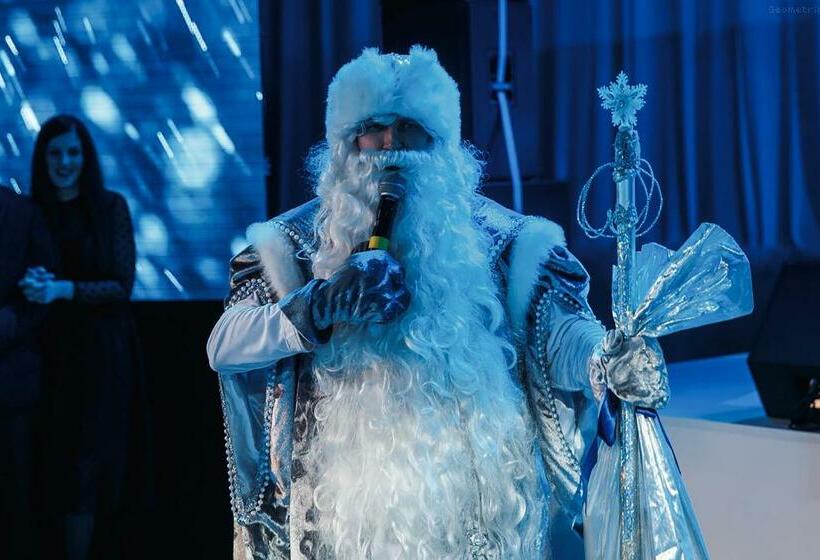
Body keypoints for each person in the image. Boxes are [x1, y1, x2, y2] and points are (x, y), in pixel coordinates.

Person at [207, 47, 669, 559]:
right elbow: (223, 347)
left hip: (481, 522)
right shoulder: (290, 246)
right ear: (344, 144)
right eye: (373, 129)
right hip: (343, 527)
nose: (390, 147)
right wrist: (317, 305)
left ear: (443, 144)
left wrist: (605, 358)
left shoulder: (508, 242)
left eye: (410, 129)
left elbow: (560, 335)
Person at [21, 115, 149, 560]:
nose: (64, 162)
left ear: (86, 157)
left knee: (87, 469)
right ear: (43, 159)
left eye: (73, 152)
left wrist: (63, 289)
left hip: (99, 357)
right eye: (55, 153)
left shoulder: (110, 208)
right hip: (45, 356)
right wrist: (32, 281)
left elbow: (120, 285)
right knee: (47, 468)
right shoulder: (31, 211)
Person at [0, 185, 55, 560]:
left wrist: (9, 323)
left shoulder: (21, 211)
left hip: (11, 383)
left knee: (15, 500)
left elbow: (43, 286)